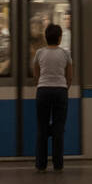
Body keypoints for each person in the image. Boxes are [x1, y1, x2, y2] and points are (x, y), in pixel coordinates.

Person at [31, 23, 72, 172]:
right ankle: (58, 164)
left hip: (43, 91)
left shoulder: (39, 53)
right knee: (58, 129)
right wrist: (63, 88)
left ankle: (41, 165)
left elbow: (36, 75)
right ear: (60, 38)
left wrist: (42, 84)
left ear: (45, 37)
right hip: (60, 92)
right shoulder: (65, 54)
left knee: (42, 129)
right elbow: (70, 76)